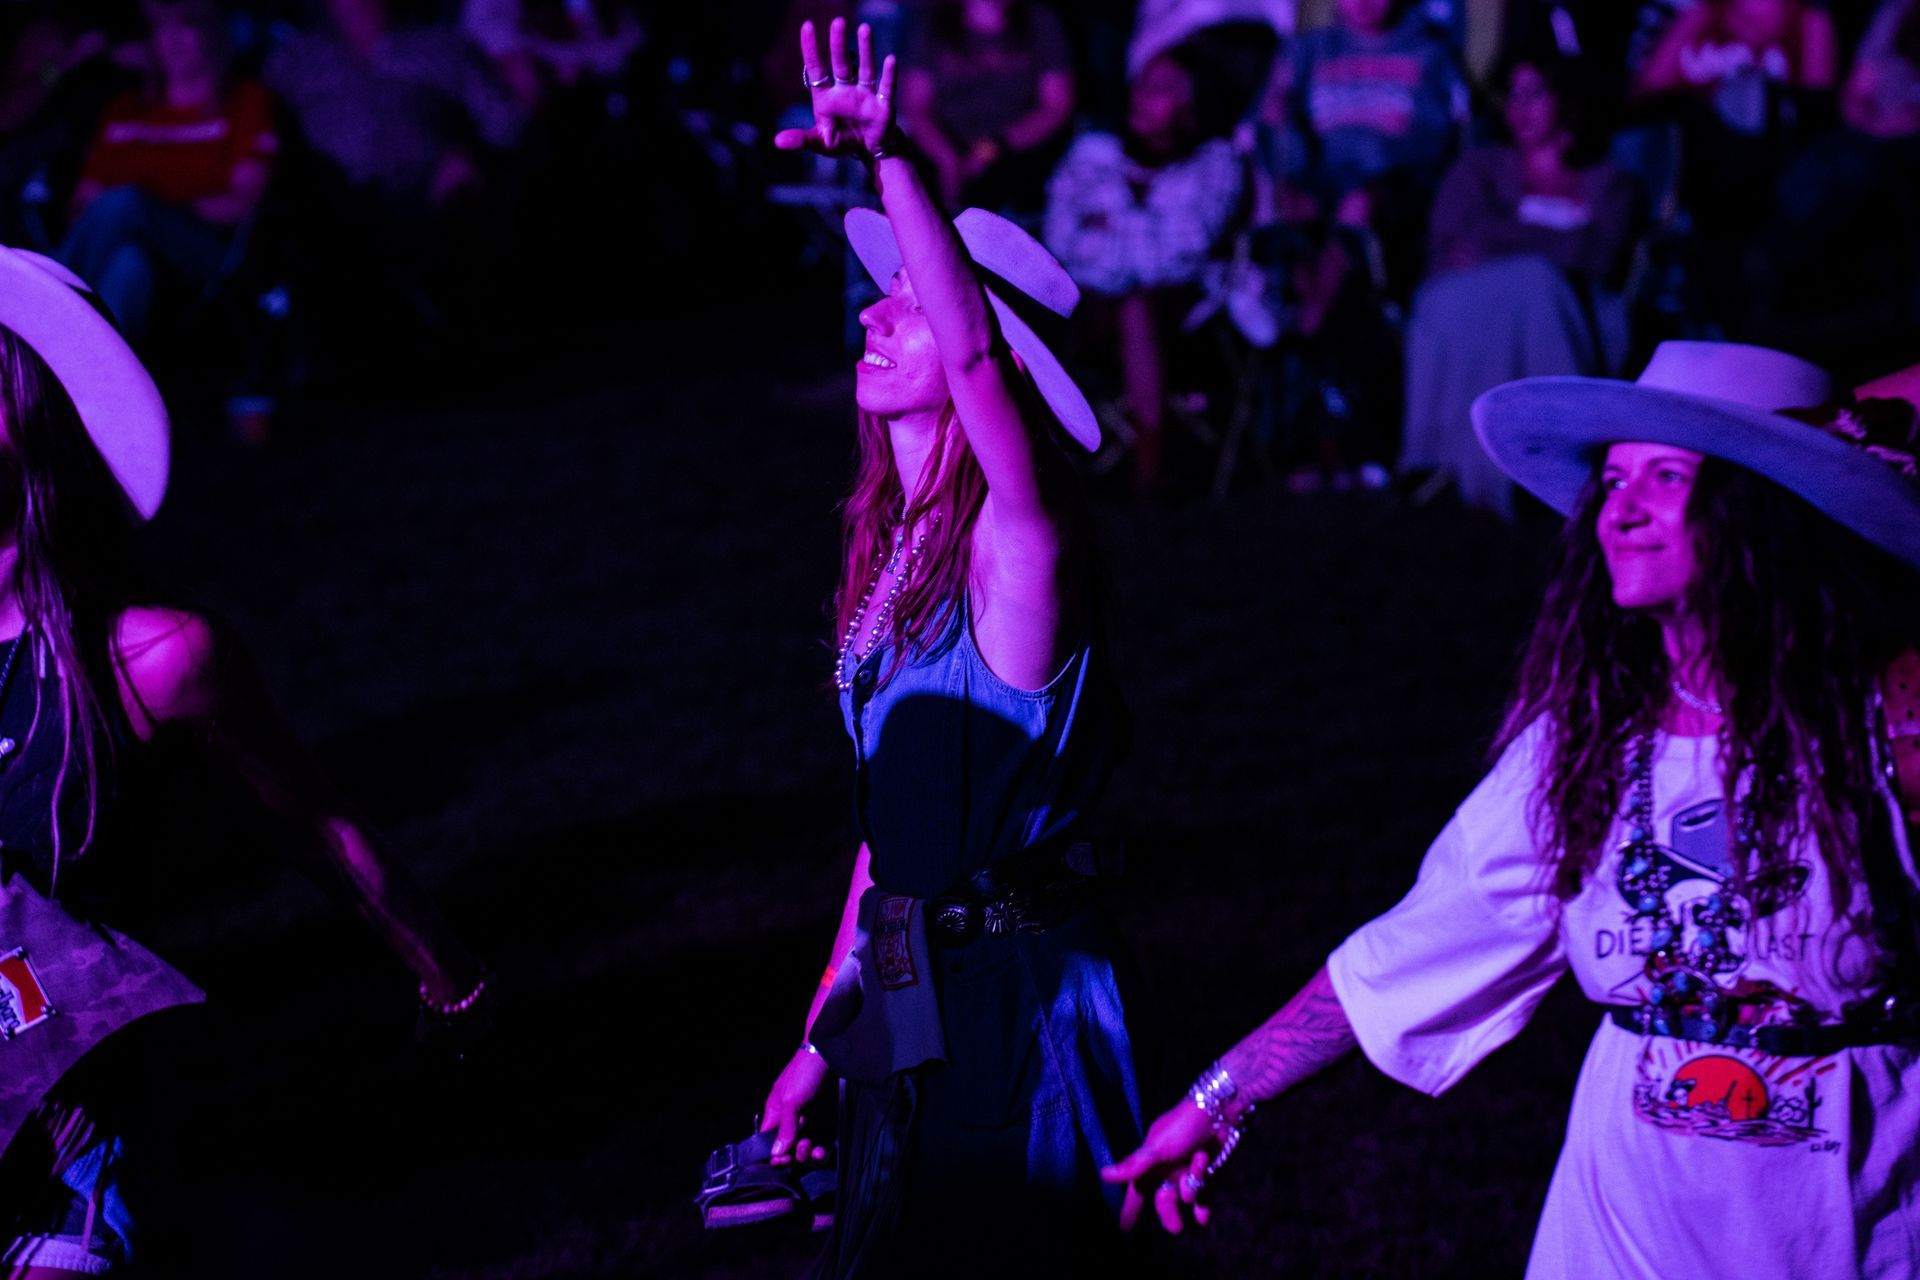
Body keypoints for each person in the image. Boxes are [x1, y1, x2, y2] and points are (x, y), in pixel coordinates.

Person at [1106, 339, 1920, 1277]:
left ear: (1765, 509)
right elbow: (1415, 946)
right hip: (1625, 1239)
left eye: (1667, 473)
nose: (1621, 508)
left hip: (1846, 1228)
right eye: (1613, 478)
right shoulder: (1586, 746)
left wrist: (1837, 440)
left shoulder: (1882, 727)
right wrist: (1217, 1099)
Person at [0, 246, 487, 1274]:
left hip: (69, 1134)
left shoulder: (147, 658)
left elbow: (318, 824)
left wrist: (452, 982)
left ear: (20, 417)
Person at [757, 18, 1144, 1277]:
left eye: (909, 301)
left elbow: (975, 350)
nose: (876, 313)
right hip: (916, 987)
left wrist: (897, 162)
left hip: (1022, 1004)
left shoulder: (1018, 550)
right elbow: (892, 839)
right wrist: (823, 1037)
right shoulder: (891, 554)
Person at [1398, 56, 1640, 517]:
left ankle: (1545, 458)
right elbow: (1452, 242)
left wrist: (1499, 239)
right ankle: (1474, 468)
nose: (1520, 107)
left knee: (1536, 284)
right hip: (1468, 302)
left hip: (1569, 312)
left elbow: (1601, 258)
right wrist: (1559, 243)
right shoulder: (1479, 169)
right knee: (1521, 284)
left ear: (1567, 101)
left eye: (1536, 93)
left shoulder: (1608, 183)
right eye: (1512, 95)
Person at [1044, 45, 1243, 492]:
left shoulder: (1216, 163)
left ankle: (1147, 474)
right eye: (1142, 85)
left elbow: (1189, 248)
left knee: (1137, 308)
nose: (1141, 97)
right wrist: (1146, 231)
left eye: (1162, 89)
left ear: (1192, 105)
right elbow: (1061, 241)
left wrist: (1109, 225)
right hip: (1088, 300)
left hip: (1182, 310)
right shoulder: (1091, 155)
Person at [59, 0, 276, 347]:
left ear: (213, 33)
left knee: (127, 203)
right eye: (160, 27)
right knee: (130, 265)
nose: (171, 38)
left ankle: (45, 310)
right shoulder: (124, 109)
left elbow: (241, 202)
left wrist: (154, 209)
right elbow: (82, 202)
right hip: (126, 245)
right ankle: (98, 382)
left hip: (203, 248)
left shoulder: (245, 102)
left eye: (186, 24)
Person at [899, 0, 1077, 214]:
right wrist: (946, 158)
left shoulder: (1040, 20)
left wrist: (991, 149)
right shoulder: (931, 21)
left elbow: (1057, 105)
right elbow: (915, 105)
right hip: (940, 147)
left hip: (1014, 149)